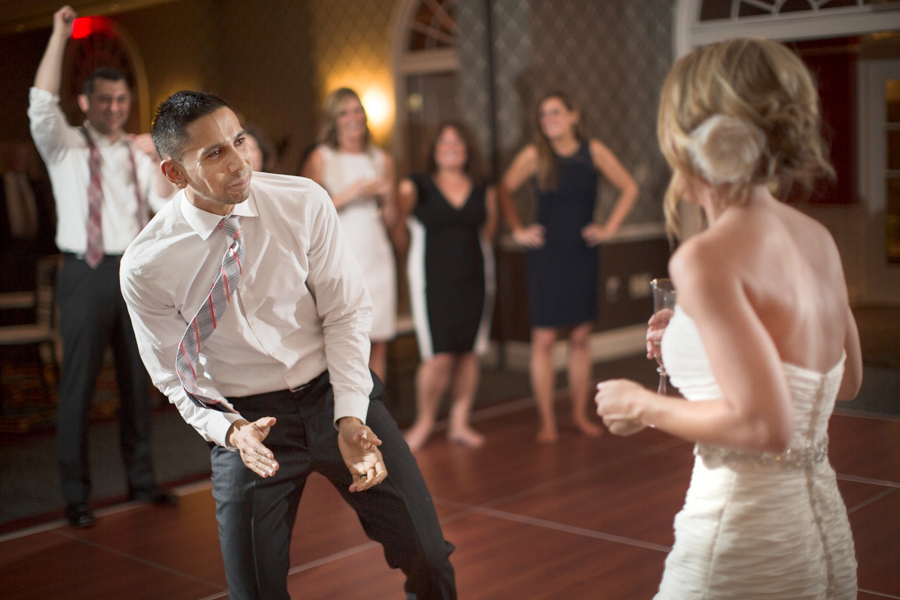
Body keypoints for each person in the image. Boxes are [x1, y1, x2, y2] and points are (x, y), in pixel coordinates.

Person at [121, 90, 456, 600]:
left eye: (238, 141)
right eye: (214, 153)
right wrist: (229, 431)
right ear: (174, 173)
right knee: (252, 593)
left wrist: (350, 415)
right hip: (248, 424)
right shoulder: (147, 263)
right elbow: (173, 372)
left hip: (335, 394)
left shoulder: (302, 202)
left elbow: (344, 313)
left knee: (429, 556)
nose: (239, 163)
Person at [595, 37, 862, 599]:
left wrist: (641, 405)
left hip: (740, 545)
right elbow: (845, 381)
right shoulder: (817, 239)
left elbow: (765, 426)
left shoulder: (705, 256)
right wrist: (693, 335)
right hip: (823, 536)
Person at [28, 5, 177, 529]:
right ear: (86, 102)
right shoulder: (64, 146)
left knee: (141, 383)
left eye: (122, 100)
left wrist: (160, 157)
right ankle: (77, 495)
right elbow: (42, 104)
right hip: (85, 275)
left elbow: (166, 206)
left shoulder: (141, 154)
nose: (115, 108)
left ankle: (143, 480)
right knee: (80, 386)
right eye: (106, 100)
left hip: (137, 276)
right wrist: (59, 35)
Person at [499, 90, 638, 444]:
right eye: (544, 116)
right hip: (546, 255)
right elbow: (503, 189)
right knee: (544, 339)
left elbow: (629, 188)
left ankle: (578, 415)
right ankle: (547, 422)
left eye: (556, 113)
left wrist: (609, 228)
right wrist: (518, 229)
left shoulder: (594, 152)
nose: (549, 121)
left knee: (579, 338)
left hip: (581, 252)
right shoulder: (534, 155)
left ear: (574, 116)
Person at [398, 121, 497, 451]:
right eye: (443, 142)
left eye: (457, 142)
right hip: (432, 280)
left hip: (475, 277)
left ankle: (459, 421)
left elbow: (490, 229)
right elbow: (397, 226)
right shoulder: (417, 185)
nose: (451, 147)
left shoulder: (484, 186)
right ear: (434, 149)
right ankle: (425, 422)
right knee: (437, 356)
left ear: (467, 149)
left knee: (468, 353)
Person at [303, 87, 398, 383]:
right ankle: (346, 414)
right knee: (346, 339)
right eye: (344, 112)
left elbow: (393, 221)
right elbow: (306, 215)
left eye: (357, 110)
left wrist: (389, 196)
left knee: (377, 337)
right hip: (342, 254)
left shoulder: (381, 159)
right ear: (334, 119)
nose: (353, 117)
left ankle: (373, 413)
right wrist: (347, 195)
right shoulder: (322, 157)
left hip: (376, 251)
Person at [0, 141, 56, 292]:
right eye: (16, 157)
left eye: (24, 157)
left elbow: (46, 220)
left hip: (35, 249)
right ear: (7, 159)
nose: (20, 161)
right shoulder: (2, 186)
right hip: (6, 250)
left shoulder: (37, 186)